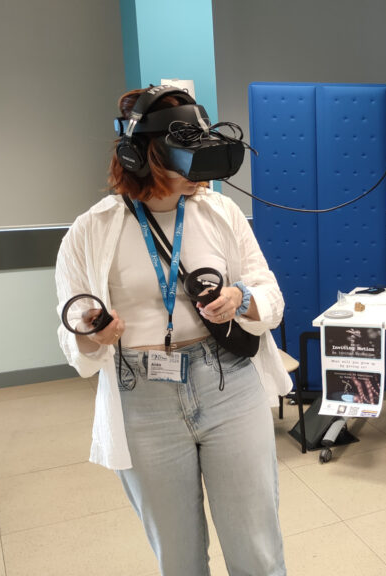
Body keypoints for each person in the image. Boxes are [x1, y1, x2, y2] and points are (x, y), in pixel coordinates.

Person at [55, 87, 290, 576]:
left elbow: (270, 295)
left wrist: (242, 299)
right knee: (179, 557)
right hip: (142, 396)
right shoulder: (91, 230)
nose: (198, 174)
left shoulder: (220, 213)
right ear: (137, 156)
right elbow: (71, 326)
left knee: (257, 549)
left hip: (227, 381)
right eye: (185, 160)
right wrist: (93, 334)